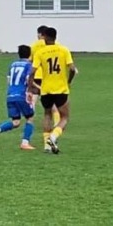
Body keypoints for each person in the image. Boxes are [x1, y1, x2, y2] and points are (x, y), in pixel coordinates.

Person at [28, 26, 76, 154]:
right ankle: (53, 137)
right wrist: (69, 81)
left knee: (47, 114)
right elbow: (72, 69)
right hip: (61, 88)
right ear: (55, 37)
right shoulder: (63, 50)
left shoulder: (40, 52)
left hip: (46, 89)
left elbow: (32, 71)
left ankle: (47, 145)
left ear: (45, 38)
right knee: (64, 117)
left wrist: (29, 87)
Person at [0, 44, 37, 150]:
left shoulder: (12, 65)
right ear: (30, 54)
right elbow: (28, 80)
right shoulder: (29, 65)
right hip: (22, 95)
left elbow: (8, 81)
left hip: (10, 95)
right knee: (30, 118)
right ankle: (25, 143)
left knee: (16, 122)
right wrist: (36, 88)